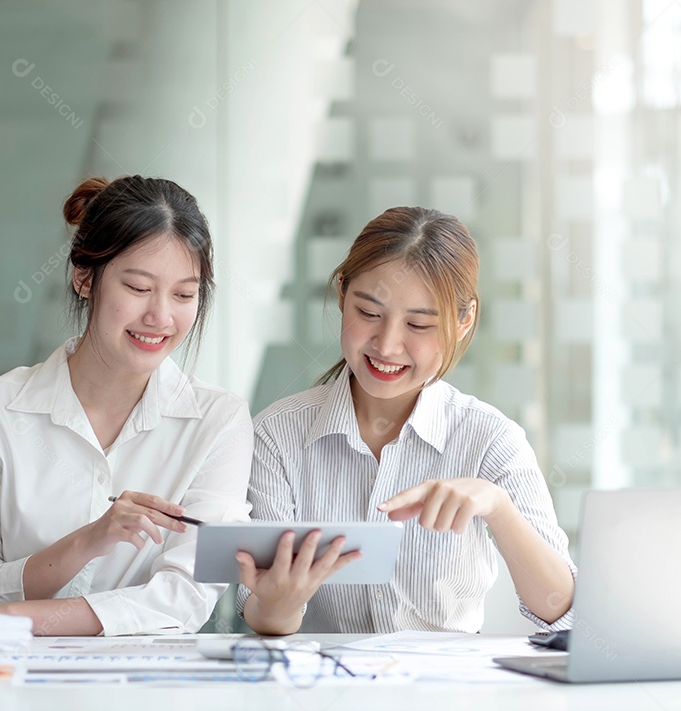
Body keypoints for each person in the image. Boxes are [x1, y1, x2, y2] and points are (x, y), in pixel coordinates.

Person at [0, 176, 252, 636]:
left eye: (184, 295)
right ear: (84, 278)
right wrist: (87, 542)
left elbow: (181, 601)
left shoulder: (218, 422)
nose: (161, 317)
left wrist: (3, 620)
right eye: (139, 287)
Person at [237, 206, 576, 635]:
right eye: (369, 314)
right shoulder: (277, 435)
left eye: (419, 324)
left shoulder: (490, 439)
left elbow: (560, 610)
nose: (388, 344)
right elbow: (260, 611)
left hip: (450, 697)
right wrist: (280, 603)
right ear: (342, 294)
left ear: (464, 320)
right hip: (326, 691)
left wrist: (498, 508)